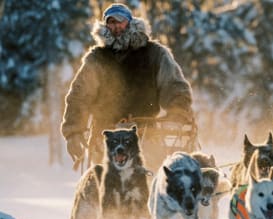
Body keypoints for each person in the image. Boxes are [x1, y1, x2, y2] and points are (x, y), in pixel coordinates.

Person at [61, 3, 198, 171]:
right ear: (105, 26)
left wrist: (179, 112)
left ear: (130, 23)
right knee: (101, 188)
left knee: (150, 181)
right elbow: (78, 97)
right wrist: (73, 132)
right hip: (105, 137)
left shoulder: (155, 54)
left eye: (120, 21)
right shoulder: (96, 59)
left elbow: (175, 87)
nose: (116, 27)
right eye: (111, 22)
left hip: (145, 135)